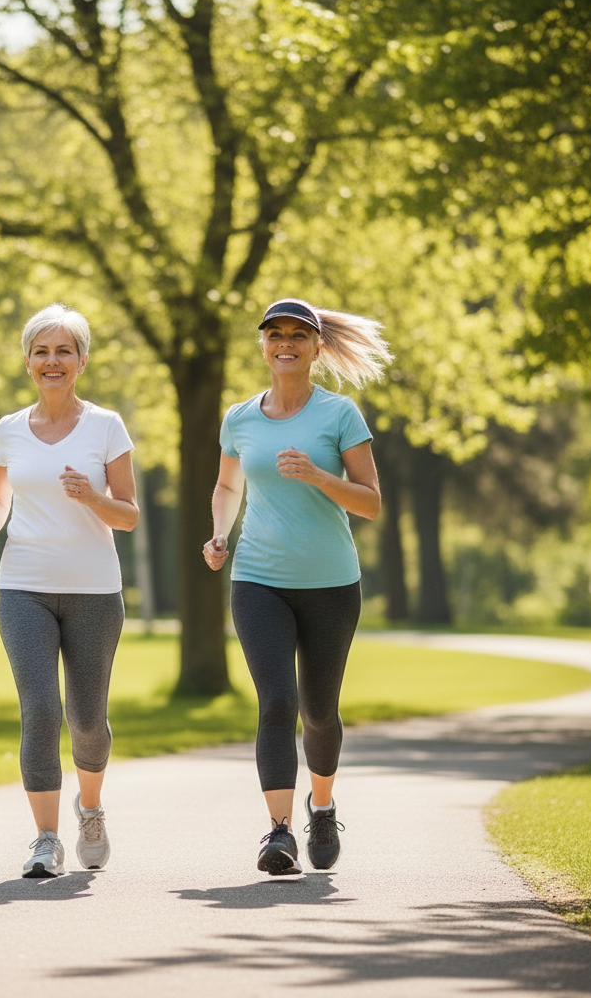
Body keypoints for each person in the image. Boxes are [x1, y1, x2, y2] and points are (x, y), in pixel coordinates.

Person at [203, 297, 391, 875]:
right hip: (258, 578)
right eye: (274, 334)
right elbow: (227, 487)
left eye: (297, 335)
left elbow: (372, 503)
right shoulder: (240, 418)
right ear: (263, 345)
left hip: (331, 582)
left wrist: (317, 475)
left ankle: (323, 805)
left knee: (319, 711)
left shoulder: (339, 415)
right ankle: (279, 831)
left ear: (316, 348)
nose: (285, 343)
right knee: (277, 702)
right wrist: (218, 535)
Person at [0, 303, 138, 879]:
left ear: (82, 361)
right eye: (42, 351)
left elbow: (130, 516)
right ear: (27, 363)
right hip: (24, 586)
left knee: (87, 720)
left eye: (64, 350)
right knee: (41, 710)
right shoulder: (9, 430)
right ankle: (45, 839)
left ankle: (89, 809)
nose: (52, 361)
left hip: (94, 591)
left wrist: (92, 498)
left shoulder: (106, 426)